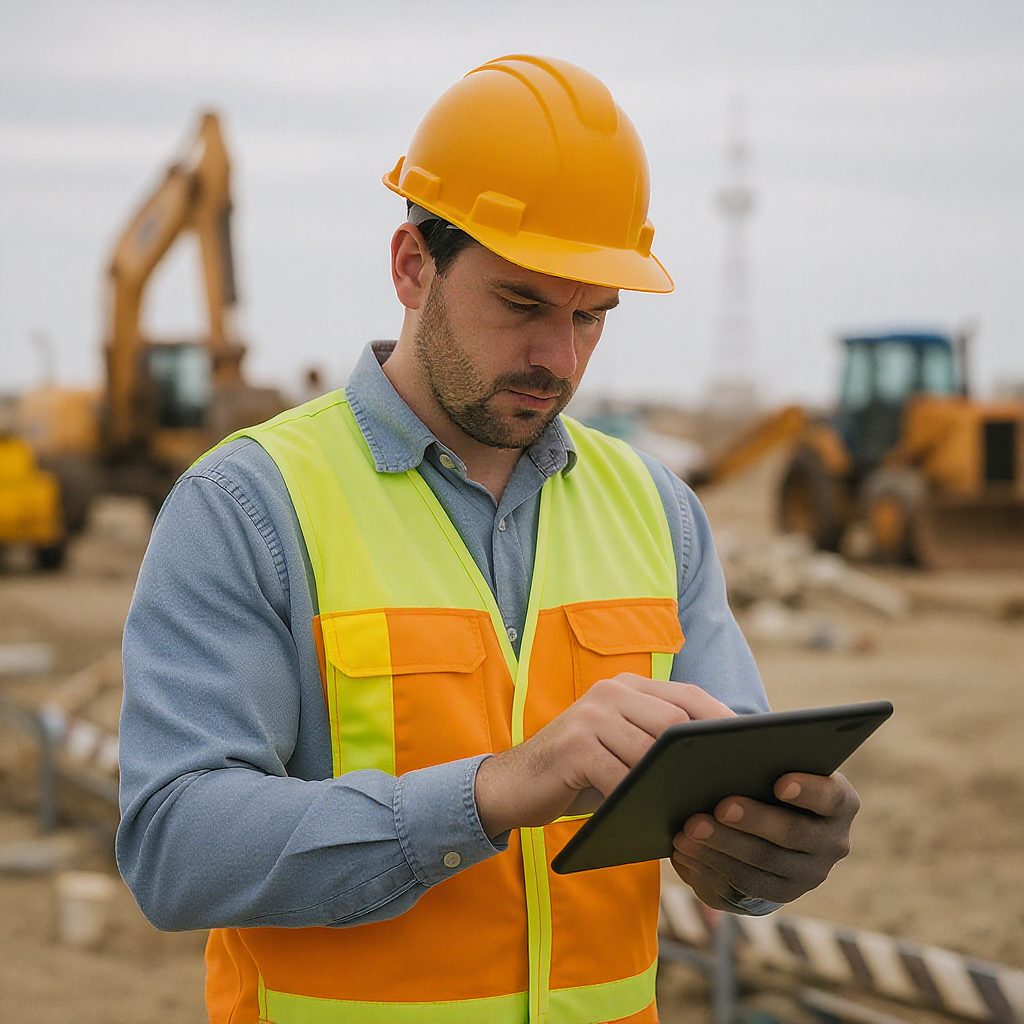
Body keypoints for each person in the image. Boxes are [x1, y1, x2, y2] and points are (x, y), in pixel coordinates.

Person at [117, 55, 860, 1024]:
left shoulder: (655, 506)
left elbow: (728, 814)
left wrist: (771, 850)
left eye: (591, 316)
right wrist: (495, 790)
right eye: (522, 304)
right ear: (411, 265)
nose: (559, 356)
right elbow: (177, 851)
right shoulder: (251, 503)